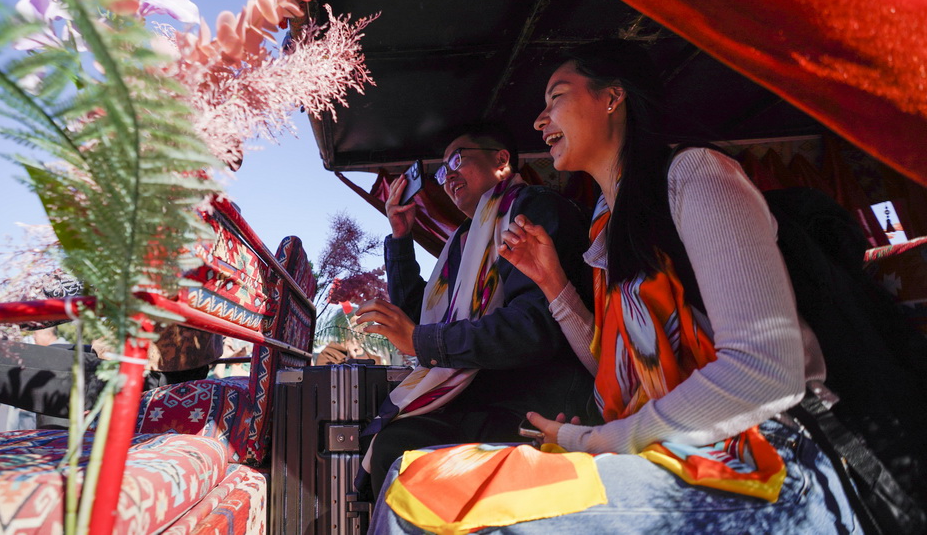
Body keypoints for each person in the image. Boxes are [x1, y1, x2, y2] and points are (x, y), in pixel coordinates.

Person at [367, 41, 862, 533]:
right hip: (660, 448)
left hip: (762, 459)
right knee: (414, 485)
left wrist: (603, 439)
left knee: (427, 509)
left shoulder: (695, 176)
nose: (540, 121)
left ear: (612, 98)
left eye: (555, 98)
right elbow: (609, 364)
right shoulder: (604, 222)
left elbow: (768, 372)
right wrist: (556, 287)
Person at [355, 124, 595, 498]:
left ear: (501, 161)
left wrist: (422, 341)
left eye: (457, 160)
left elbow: (534, 328)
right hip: (482, 400)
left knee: (397, 448)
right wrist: (401, 238)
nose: (447, 176)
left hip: (534, 404)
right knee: (391, 444)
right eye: (440, 171)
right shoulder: (464, 240)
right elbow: (425, 317)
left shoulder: (533, 207)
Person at [0, 322, 221, 447]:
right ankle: (55, 441)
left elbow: (49, 300)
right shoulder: (205, 227)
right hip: (176, 368)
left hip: (137, 372)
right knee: (55, 350)